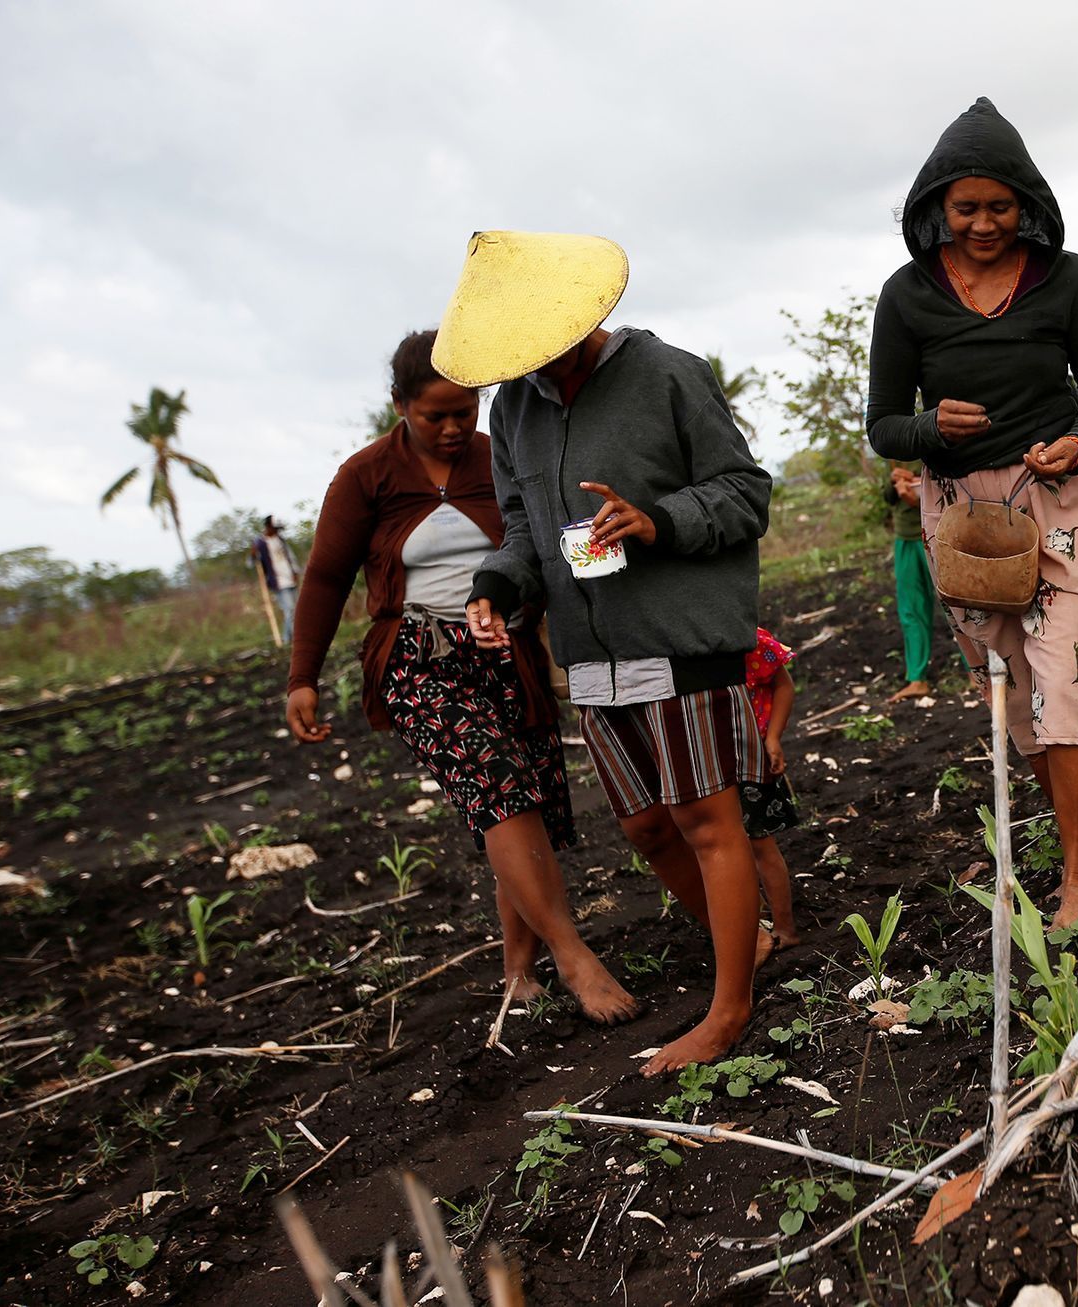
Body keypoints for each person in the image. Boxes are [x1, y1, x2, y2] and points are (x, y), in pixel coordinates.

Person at [437, 231, 774, 1075]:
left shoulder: (665, 373)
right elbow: (523, 530)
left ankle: (729, 1008)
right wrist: (497, 590)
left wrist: (655, 520)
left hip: (681, 634)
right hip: (591, 651)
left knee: (705, 819)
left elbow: (743, 493)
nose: (532, 363)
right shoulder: (514, 408)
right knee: (645, 825)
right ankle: (752, 944)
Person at [284, 330, 636, 1024]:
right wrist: (303, 676)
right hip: (419, 657)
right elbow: (325, 577)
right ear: (398, 406)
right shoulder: (366, 476)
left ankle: (518, 969)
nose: (450, 428)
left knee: (518, 797)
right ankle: (572, 956)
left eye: (462, 411)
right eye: (432, 415)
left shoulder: (495, 454)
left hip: (508, 650)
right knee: (500, 787)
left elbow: (534, 538)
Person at [866, 97, 1078, 929]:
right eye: (966, 207)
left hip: (1060, 494)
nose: (984, 223)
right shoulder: (906, 295)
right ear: (934, 209)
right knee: (1019, 686)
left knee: (1064, 675)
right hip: (963, 514)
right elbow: (884, 422)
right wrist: (927, 427)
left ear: (1026, 204)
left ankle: (1074, 882)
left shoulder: (1064, 277)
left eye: (999, 206)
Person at [739, 627, 802, 949]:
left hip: (750, 756)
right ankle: (752, 925)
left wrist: (773, 738)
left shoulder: (748, 639)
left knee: (759, 843)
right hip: (709, 759)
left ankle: (785, 928)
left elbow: (784, 686)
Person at [883, 461, 935, 701]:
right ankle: (917, 678)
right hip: (904, 538)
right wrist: (895, 482)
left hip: (935, 533)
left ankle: (976, 672)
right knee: (911, 610)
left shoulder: (929, 441)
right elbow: (887, 496)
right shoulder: (891, 452)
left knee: (956, 607)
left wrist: (916, 482)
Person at [253, 516, 303, 643]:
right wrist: (253, 555)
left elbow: (291, 557)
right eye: (275, 529)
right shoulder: (260, 543)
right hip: (278, 582)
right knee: (289, 610)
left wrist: (295, 572)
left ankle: (288, 638)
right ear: (268, 527)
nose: (277, 531)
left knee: (296, 610)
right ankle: (291, 639)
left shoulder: (280, 540)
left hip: (290, 579)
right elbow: (251, 562)